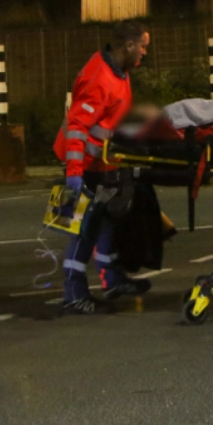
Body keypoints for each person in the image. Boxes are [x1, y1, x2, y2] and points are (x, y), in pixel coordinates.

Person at [53, 20, 152, 314]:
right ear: (129, 45)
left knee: (109, 218)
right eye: (143, 46)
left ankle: (112, 279)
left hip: (102, 161)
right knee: (85, 228)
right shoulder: (100, 78)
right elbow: (77, 128)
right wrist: (74, 175)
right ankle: (74, 293)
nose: (145, 52)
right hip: (85, 163)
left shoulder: (119, 71)